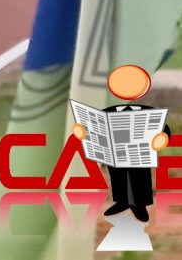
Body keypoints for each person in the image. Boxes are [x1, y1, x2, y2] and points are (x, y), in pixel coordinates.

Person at [68, 63, 168, 224]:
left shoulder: (146, 112)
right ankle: (122, 201)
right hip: (116, 151)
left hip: (138, 152)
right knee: (118, 176)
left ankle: (140, 205)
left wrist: (161, 137)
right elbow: (94, 126)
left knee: (139, 175)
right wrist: (84, 132)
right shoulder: (108, 112)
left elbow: (161, 127)